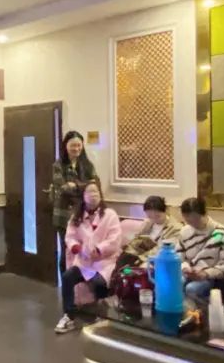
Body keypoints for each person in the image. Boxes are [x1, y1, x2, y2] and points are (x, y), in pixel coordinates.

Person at [55, 181, 121, 334]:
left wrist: (99, 249)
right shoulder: (76, 217)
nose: (93, 195)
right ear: (83, 196)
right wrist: (76, 247)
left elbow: (115, 239)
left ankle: (101, 315)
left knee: (99, 281)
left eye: (96, 192)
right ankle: (69, 315)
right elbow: (70, 236)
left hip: (104, 261)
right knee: (67, 277)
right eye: (89, 192)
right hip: (84, 262)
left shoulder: (110, 215)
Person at [108, 196, 182, 290]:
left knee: (131, 269)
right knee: (123, 260)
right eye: (150, 216)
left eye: (157, 216)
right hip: (139, 254)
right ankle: (115, 287)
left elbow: (163, 249)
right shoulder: (148, 223)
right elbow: (137, 239)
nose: (154, 219)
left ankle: (122, 287)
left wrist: (142, 258)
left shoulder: (175, 228)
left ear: (166, 210)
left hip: (156, 258)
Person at [50, 131, 98, 271]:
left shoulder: (87, 165)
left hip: (83, 214)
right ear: (66, 146)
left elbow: (95, 185)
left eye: (79, 145)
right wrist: (84, 186)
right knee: (66, 252)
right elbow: (63, 188)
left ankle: (79, 281)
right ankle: (66, 282)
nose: (76, 149)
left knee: (83, 249)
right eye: (73, 145)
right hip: (63, 215)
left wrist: (75, 185)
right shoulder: (58, 165)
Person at [176, 197, 224, 299]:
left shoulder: (222, 233)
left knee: (191, 289)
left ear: (205, 213)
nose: (193, 224)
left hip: (211, 277)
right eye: (188, 221)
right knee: (172, 283)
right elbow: (179, 257)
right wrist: (185, 268)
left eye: (196, 220)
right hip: (188, 272)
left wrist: (206, 273)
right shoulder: (185, 231)